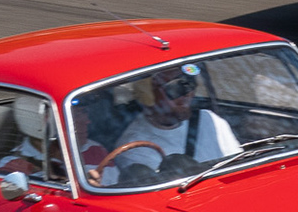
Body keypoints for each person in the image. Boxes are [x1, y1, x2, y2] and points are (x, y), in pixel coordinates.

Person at [102, 64, 240, 186]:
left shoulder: (210, 120)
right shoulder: (136, 147)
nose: (188, 94)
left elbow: (238, 167)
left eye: (190, 83)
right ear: (149, 95)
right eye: (176, 88)